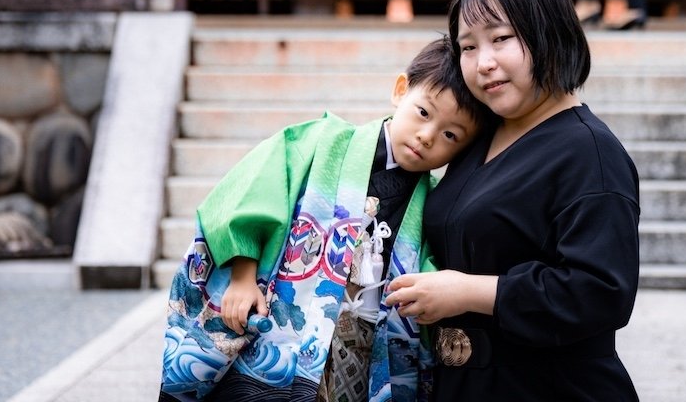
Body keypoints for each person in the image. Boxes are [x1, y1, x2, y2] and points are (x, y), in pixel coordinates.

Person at [159, 37, 496, 402]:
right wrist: (242, 277)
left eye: (450, 135)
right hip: (288, 324)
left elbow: (432, 270)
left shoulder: (435, 198)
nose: (427, 137)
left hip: (367, 344)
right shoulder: (320, 142)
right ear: (401, 91)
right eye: (424, 113)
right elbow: (253, 193)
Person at [384, 0, 641, 401]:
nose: (483, 63)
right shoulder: (477, 137)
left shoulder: (590, 153)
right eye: (468, 47)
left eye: (501, 39)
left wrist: (468, 291)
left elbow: (600, 291)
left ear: (550, 33)